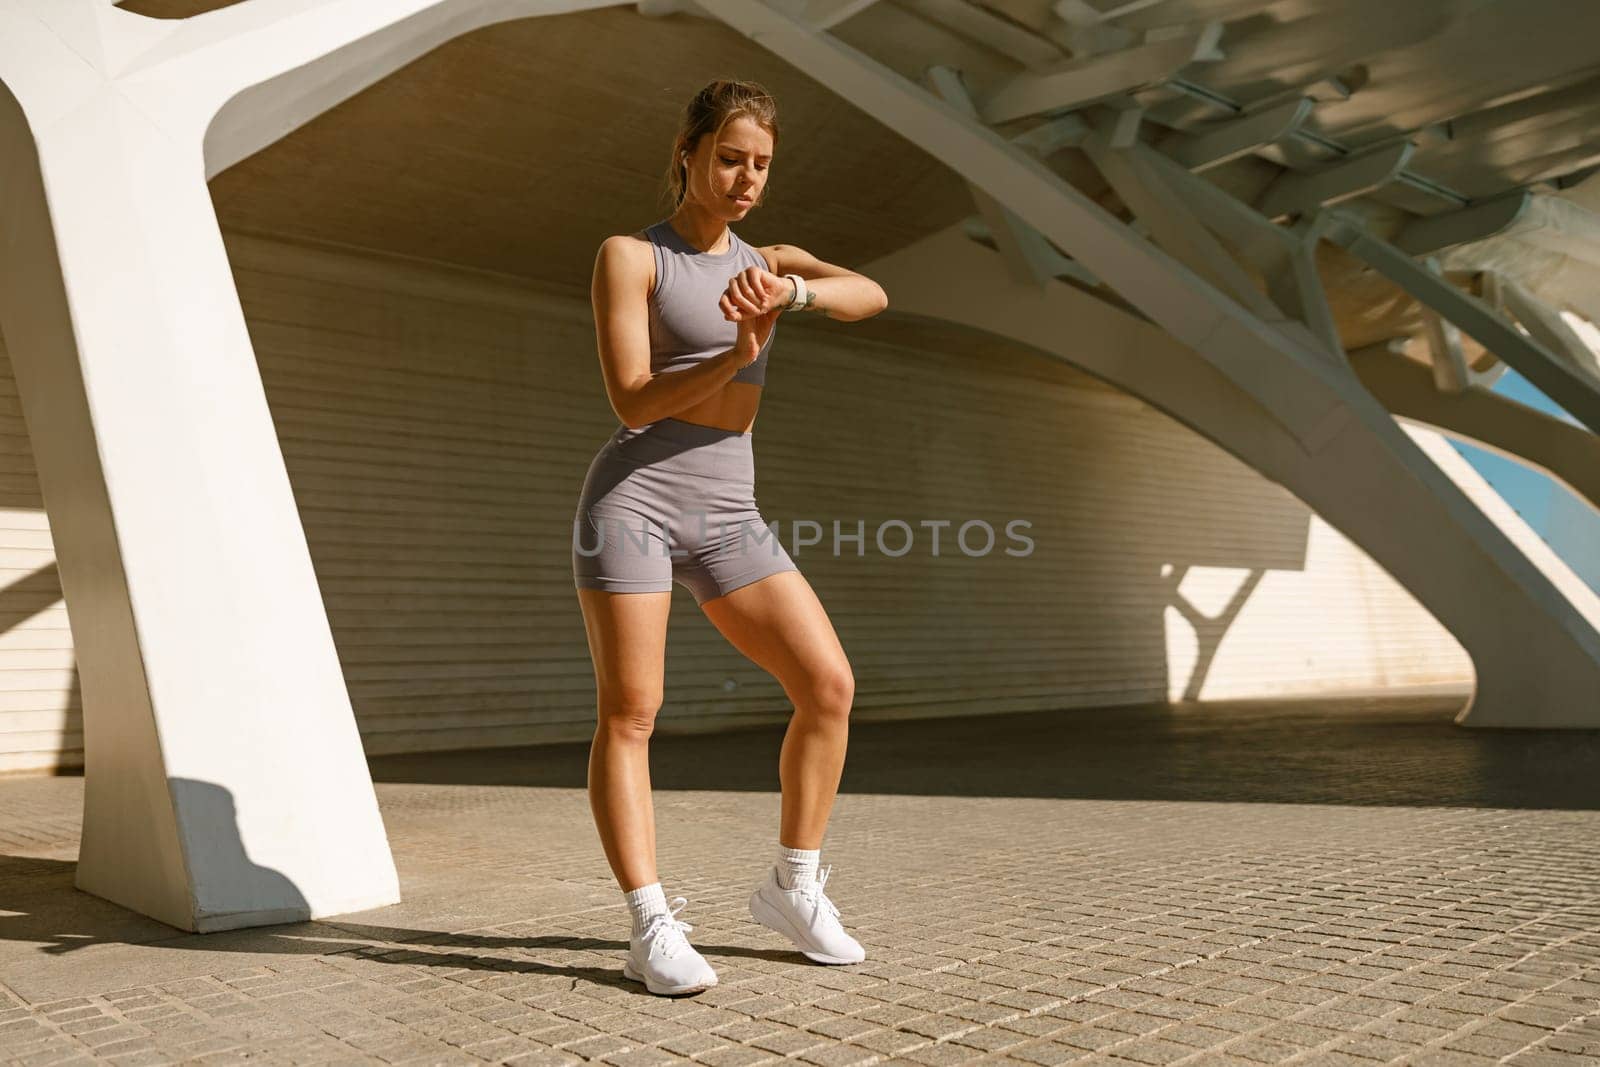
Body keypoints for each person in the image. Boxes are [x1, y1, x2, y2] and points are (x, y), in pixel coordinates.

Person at [572, 79, 889, 996]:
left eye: (760, 165)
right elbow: (630, 398)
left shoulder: (769, 255)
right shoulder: (632, 257)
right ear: (689, 152)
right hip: (633, 499)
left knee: (828, 684)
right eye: (729, 159)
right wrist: (733, 354)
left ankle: (793, 886)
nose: (746, 179)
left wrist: (792, 292)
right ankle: (648, 923)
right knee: (632, 712)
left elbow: (870, 294)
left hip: (729, 510)